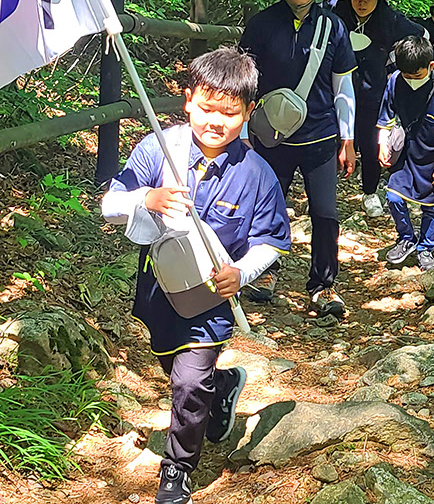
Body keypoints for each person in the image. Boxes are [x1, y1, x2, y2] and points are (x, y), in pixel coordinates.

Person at [100, 48, 292, 504]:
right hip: (159, 287)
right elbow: (110, 204)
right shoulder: (157, 149)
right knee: (174, 366)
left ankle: (177, 470)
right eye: (206, 107)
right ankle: (222, 387)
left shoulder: (258, 174)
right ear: (187, 100)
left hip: (212, 297)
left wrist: (241, 274)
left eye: (229, 112)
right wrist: (146, 198)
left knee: (188, 382)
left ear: (248, 112)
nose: (215, 121)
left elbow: (271, 240)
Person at [238, 0, 357, 318]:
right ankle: (264, 271)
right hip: (271, 136)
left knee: (325, 213)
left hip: (321, 136)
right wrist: (241, 131)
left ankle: (323, 285)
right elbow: (244, 85)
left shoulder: (334, 27)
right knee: (267, 208)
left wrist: (348, 137)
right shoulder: (260, 25)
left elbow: (344, 88)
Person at [332, 0, 429, 220]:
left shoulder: (390, 19)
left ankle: (370, 192)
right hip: (336, 93)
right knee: (330, 143)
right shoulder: (337, 16)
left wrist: (400, 69)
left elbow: (421, 36)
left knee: (370, 143)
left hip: (373, 95)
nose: (361, 3)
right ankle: (325, 194)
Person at [376, 34, 434, 271]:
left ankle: (426, 248)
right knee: (393, 196)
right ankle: (406, 238)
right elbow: (386, 116)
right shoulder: (394, 81)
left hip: (433, 159)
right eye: (406, 75)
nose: (411, 80)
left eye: (417, 75)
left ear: (431, 66)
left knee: (432, 206)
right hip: (405, 154)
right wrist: (382, 143)